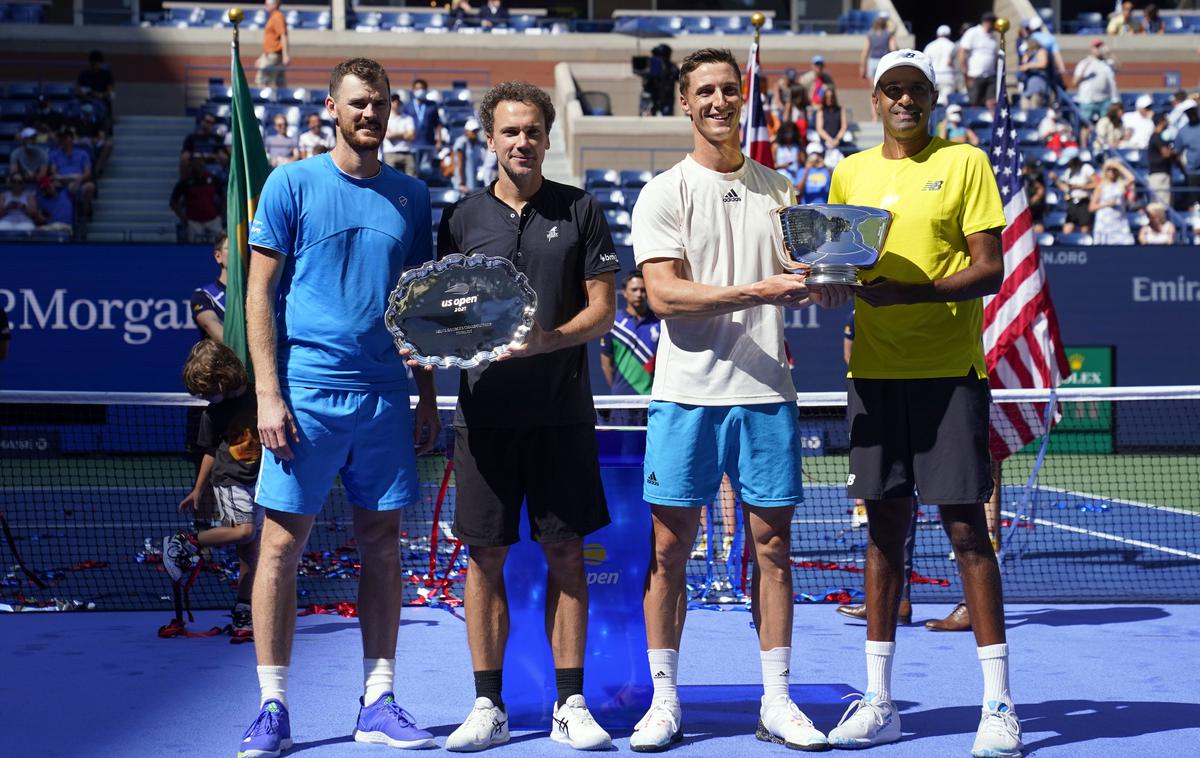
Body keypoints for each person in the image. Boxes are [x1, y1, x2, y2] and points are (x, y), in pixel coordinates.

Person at [629, 47, 851, 753]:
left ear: (741, 96)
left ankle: (778, 701)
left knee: (774, 550)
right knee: (669, 552)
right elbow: (663, 295)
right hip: (685, 396)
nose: (719, 101)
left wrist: (832, 278)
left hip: (766, 395)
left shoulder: (781, 189)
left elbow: (804, 274)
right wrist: (761, 290)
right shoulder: (664, 192)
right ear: (686, 104)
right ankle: (665, 702)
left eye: (729, 89)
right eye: (706, 92)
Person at [823, 49, 1021, 757]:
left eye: (915, 90)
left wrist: (913, 292)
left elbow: (990, 268)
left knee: (967, 531)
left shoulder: (965, 162)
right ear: (874, 100)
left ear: (931, 98)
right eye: (892, 90)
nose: (904, 100)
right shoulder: (850, 172)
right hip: (875, 378)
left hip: (948, 376)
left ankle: (998, 705)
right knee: (882, 536)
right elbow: (839, 265)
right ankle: (879, 700)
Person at [241, 57, 439, 757]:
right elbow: (258, 294)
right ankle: (272, 707)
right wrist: (268, 391)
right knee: (280, 548)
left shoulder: (412, 197)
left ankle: (378, 700)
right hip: (306, 394)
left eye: (379, 104)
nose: (369, 114)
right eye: (358, 103)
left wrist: (426, 394)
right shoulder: (291, 184)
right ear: (331, 108)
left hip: (385, 396)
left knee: (383, 547)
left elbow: (419, 309)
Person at [432, 80, 618, 752]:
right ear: (490, 139)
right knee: (485, 557)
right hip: (483, 418)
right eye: (509, 131)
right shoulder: (458, 219)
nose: (521, 141)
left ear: (546, 136)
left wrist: (547, 339)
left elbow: (604, 308)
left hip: (562, 414)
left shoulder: (582, 209)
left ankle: (571, 703)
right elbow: (439, 312)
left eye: (532, 130)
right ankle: (488, 705)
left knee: (566, 552)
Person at [163, 340, 264, 644]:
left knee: (251, 549)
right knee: (244, 532)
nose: (206, 397)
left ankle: (244, 610)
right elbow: (208, 452)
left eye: (207, 390)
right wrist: (198, 489)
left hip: (260, 480)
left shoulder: (260, 395)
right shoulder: (213, 413)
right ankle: (186, 541)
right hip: (230, 478)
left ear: (223, 377)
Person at [600, 269, 660, 397]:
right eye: (634, 289)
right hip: (621, 399)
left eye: (643, 290)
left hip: (651, 398)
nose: (639, 294)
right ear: (625, 293)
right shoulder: (613, 322)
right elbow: (606, 363)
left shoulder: (660, 322)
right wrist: (618, 390)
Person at [171, 157, 225, 243]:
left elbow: (223, 197)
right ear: (192, 167)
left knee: (220, 245)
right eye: (196, 165)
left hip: (213, 220)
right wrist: (183, 218)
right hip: (193, 221)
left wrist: (221, 215)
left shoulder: (213, 180)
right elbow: (173, 202)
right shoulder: (185, 182)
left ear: (204, 166)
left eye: (200, 165)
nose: (198, 167)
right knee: (193, 247)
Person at [191, 232, 229, 343]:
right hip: (225, 359)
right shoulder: (204, 296)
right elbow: (211, 326)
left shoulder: (257, 293)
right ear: (218, 256)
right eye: (231, 248)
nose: (237, 252)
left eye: (241, 248)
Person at [49, 130, 95, 220]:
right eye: (62, 138)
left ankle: (83, 216)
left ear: (72, 139)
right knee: (70, 187)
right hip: (62, 183)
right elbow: (53, 172)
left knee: (90, 186)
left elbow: (87, 172)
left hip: (79, 181)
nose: (64, 140)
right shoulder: (54, 154)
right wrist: (66, 179)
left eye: (67, 137)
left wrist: (79, 179)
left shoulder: (83, 153)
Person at [1090, 159, 1136, 245]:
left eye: (1114, 170)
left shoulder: (1121, 184)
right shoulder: (1100, 186)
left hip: (1119, 222)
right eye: (1109, 169)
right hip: (1104, 223)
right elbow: (1091, 207)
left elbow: (1132, 178)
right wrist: (1106, 204)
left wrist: (1118, 165)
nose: (1111, 172)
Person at [1073, 39, 1118, 125]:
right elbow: (1074, 82)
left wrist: (1110, 53)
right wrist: (1084, 72)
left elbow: (1118, 66)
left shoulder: (1108, 62)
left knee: (1105, 123)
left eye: (1101, 47)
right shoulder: (1084, 63)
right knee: (1086, 125)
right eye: (1097, 47)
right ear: (1091, 49)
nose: (1099, 49)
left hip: (1104, 100)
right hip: (1087, 100)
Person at [1052, 148, 1097, 234]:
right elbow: (1067, 188)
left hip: (1084, 203)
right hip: (1072, 204)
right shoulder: (1068, 172)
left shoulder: (1086, 168)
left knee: (1085, 230)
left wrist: (1080, 187)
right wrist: (1056, 180)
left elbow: (1096, 184)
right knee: (1067, 230)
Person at [959, 13, 998, 107]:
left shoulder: (994, 36)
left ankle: (992, 121)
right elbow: (962, 52)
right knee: (975, 102)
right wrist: (965, 73)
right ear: (987, 22)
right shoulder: (973, 32)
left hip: (990, 75)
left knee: (991, 102)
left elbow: (995, 56)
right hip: (975, 75)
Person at [404, 79, 442, 174]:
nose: (420, 90)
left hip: (428, 143)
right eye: (417, 88)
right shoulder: (407, 106)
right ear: (413, 90)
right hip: (412, 144)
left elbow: (437, 124)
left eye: (422, 88)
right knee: (413, 170)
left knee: (426, 170)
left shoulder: (432, 105)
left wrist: (439, 141)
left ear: (426, 90)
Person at [256, 0, 290, 89]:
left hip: (273, 55)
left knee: (262, 79)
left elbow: (283, 36)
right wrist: (262, 56)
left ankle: (264, 100)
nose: (265, 5)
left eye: (268, 3)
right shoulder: (273, 17)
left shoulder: (277, 17)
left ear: (275, 5)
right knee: (279, 81)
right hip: (270, 54)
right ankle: (283, 100)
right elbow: (271, 39)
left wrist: (285, 55)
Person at [1173, 102, 1200, 211]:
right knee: (1194, 202)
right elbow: (1177, 152)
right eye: (1188, 112)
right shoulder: (1183, 131)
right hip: (1192, 172)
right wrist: (1184, 168)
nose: (1191, 114)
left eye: (1193, 111)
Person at [860, 15, 897, 90]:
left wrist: (862, 66)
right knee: (885, 85)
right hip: (885, 61)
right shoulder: (889, 34)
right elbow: (893, 49)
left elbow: (865, 51)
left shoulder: (870, 34)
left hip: (872, 61)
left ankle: (874, 100)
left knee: (873, 87)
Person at [924, 25, 958, 105]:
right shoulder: (953, 45)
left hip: (933, 76)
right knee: (947, 102)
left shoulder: (930, 46)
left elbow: (925, 62)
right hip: (948, 77)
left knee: (931, 101)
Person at [383, 94, 416, 176]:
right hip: (390, 152)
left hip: (407, 152)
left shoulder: (408, 118)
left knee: (412, 178)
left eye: (397, 101)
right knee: (391, 179)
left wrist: (395, 134)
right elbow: (388, 136)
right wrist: (404, 134)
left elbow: (411, 136)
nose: (396, 103)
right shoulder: (385, 118)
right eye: (393, 101)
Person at [1147, 113, 1175, 206]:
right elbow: (1166, 154)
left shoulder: (1155, 136)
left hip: (1158, 175)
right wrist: (1174, 151)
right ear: (1161, 122)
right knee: (1162, 205)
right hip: (1159, 175)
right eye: (1165, 120)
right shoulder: (1158, 137)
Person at [451, 117, 485, 193]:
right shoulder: (461, 142)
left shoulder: (477, 144)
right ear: (466, 131)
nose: (475, 133)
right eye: (473, 131)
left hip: (473, 186)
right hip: (463, 187)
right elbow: (458, 164)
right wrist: (461, 183)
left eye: (476, 131)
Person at [1017, 36, 1051, 109]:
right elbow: (1023, 65)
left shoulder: (1041, 51)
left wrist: (1029, 65)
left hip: (1039, 84)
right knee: (1024, 103)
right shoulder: (1028, 54)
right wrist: (1026, 56)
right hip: (1028, 86)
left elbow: (1043, 64)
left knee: (1035, 104)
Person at [815, 88, 847, 152]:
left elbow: (844, 127)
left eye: (831, 97)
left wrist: (837, 139)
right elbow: (819, 129)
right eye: (827, 97)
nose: (829, 99)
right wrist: (829, 140)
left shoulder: (841, 110)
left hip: (838, 141)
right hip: (825, 142)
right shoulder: (821, 111)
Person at [771, 121, 803, 185]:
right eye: (787, 133)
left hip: (794, 181)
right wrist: (781, 166)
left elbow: (802, 163)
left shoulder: (797, 146)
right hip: (779, 180)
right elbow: (770, 166)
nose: (789, 136)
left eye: (791, 133)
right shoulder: (776, 146)